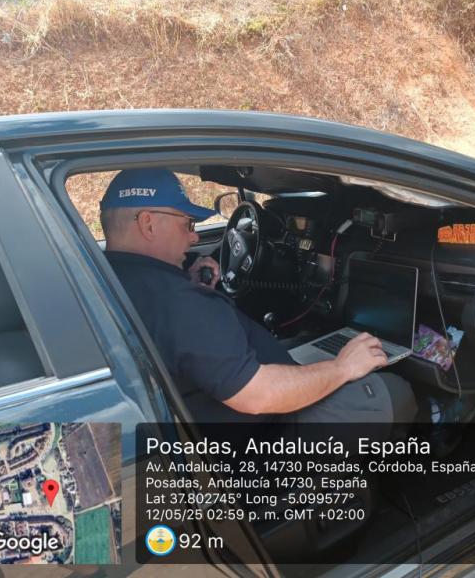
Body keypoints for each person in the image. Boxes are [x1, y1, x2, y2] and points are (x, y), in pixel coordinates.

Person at [100, 168, 416, 426]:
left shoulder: (110, 276)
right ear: (148, 224)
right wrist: (342, 368)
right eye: (188, 224)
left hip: (218, 400)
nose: (194, 236)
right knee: (395, 391)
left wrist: (190, 278)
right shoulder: (177, 301)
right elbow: (257, 396)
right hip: (270, 427)